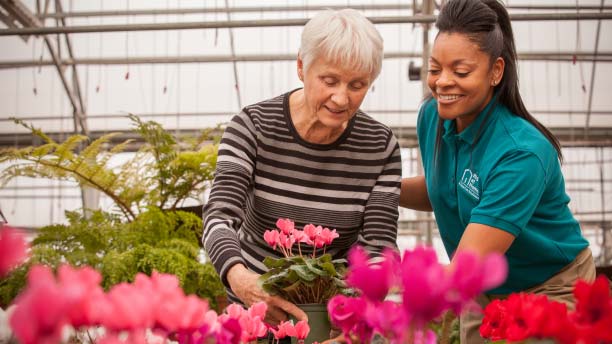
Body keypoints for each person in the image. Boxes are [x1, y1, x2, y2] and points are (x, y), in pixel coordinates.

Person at [399, 0, 596, 342]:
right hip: (485, 288)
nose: (443, 82)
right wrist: (373, 184)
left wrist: (376, 286)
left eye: (461, 72)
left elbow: (463, 270)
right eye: (435, 68)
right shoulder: (432, 117)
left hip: (549, 288)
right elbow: (442, 188)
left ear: (496, 71)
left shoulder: (521, 153)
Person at [202, 8, 402, 331]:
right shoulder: (253, 127)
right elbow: (219, 217)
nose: (341, 98)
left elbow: (378, 247)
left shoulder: (380, 146)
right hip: (254, 313)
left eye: (357, 85)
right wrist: (243, 282)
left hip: (333, 319)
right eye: (330, 80)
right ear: (301, 67)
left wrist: (357, 318)